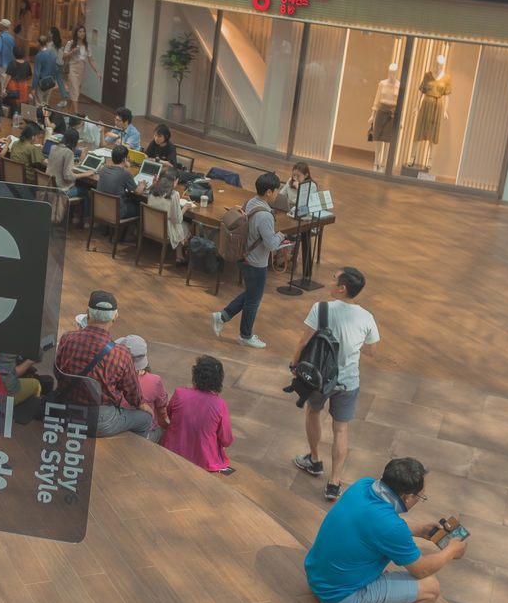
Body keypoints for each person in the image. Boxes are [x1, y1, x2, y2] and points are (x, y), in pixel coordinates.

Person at [305, 457, 466, 603]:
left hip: (316, 577)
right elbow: (422, 570)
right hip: (339, 600)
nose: (420, 499)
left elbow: (373, 526)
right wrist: (451, 551)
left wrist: (419, 530)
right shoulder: (392, 527)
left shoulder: (362, 485)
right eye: (421, 496)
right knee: (430, 588)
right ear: (408, 497)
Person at [292, 266, 380, 500]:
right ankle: (334, 482)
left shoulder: (321, 309)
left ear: (342, 288)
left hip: (320, 378)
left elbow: (303, 343)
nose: (330, 283)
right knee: (341, 429)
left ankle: (314, 459)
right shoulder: (367, 317)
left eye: (333, 280)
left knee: (313, 412)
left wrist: (294, 367)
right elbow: (371, 350)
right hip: (348, 382)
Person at [53, 291, 153, 437]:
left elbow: (57, 371)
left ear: (87, 313)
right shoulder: (121, 353)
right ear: (115, 317)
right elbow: (133, 395)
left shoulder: (67, 338)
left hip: (64, 410)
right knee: (145, 419)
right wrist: (142, 405)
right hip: (98, 420)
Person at [211, 172, 285, 348]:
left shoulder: (251, 202)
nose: (277, 195)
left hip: (243, 256)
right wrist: (280, 236)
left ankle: (222, 316)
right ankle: (245, 335)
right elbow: (272, 245)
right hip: (256, 263)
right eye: (276, 191)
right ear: (269, 192)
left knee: (251, 293)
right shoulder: (265, 216)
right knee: (253, 299)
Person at [161, 355, 233, 471]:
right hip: (204, 461)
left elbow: (170, 415)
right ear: (219, 380)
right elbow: (226, 440)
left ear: (195, 375)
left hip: (172, 451)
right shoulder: (220, 404)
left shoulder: (179, 393)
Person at [120, 335, 167, 442]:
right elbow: (161, 409)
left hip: (120, 427)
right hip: (145, 433)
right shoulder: (155, 380)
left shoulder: (113, 376)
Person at [146, 167, 192, 262]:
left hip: (149, 225)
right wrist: (185, 208)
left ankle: (179, 256)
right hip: (165, 230)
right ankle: (180, 255)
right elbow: (177, 219)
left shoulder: (152, 188)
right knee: (187, 225)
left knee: (176, 225)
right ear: (174, 179)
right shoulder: (174, 194)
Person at [60, 25, 100, 115]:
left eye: (83, 32)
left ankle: (66, 111)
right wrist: (72, 52)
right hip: (72, 69)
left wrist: (97, 71)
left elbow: (91, 60)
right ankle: (76, 114)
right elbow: (63, 56)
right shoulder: (71, 43)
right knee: (76, 92)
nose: (82, 33)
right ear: (76, 33)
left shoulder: (86, 45)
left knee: (72, 93)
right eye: (80, 31)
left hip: (81, 70)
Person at [96, 145, 139, 219]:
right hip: (117, 213)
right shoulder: (125, 174)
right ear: (125, 159)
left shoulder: (103, 169)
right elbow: (137, 192)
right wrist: (142, 185)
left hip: (101, 209)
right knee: (139, 208)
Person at [47, 128, 92, 197]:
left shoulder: (53, 147)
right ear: (75, 141)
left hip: (49, 186)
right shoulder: (69, 153)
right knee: (86, 191)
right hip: (61, 191)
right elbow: (67, 176)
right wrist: (85, 174)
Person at [32, 36, 59, 108]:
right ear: (46, 43)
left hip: (41, 83)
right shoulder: (51, 54)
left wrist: (33, 87)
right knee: (45, 103)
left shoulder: (39, 56)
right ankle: (45, 118)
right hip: (50, 82)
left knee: (38, 103)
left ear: (38, 43)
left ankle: (37, 118)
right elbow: (55, 68)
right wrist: (54, 81)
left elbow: (36, 73)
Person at [48, 25, 68, 105]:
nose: (48, 32)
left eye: (49, 31)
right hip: (59, 65)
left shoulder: (50, 45)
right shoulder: (59, 43)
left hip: (53, 66)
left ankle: (44, 98)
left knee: (48, 82)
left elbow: (49, 56)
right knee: (60, 82)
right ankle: (65, 98)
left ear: (52, 34)